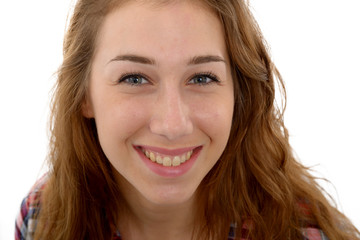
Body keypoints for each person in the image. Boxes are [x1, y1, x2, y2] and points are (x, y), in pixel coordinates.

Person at [15, 0, 360, 239]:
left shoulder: (307, 234)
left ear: (238, 94)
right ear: (84, 95)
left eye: (202, 78)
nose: (172, 124)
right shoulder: (42, 216)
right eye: (134, 78)